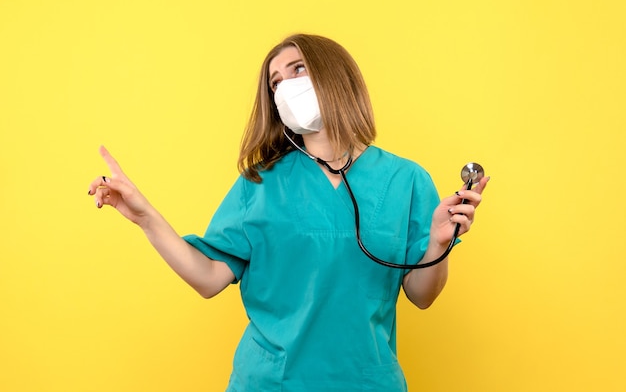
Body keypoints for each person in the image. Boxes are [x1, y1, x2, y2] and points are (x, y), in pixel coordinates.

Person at [88, 33, 489, 391]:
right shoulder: (260, 183)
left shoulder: (405, 179)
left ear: (336, 75)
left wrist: (438, 242)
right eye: (276, 82)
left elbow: (422, 295)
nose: (284, 87)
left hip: (367, 381)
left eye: (297, 69)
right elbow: (208, 278)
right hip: (270, 383)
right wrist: (145, 217)